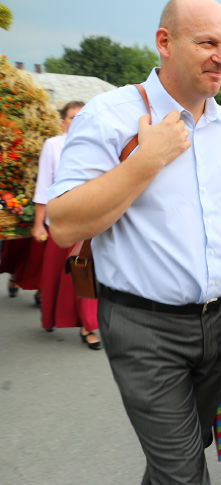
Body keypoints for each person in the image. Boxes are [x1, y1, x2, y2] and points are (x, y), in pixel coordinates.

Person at [45, 0, 221, 482]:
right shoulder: (110, 115)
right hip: (144, 327)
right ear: (165, 42)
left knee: (180, 456)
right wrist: (144, 162)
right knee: (182, 472)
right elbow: (62, 225)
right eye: (207, 42)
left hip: (219, 321)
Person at [30, 100, 102, 349]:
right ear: (63, 122)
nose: (78, 121)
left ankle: (88, 327)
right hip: (59, 221)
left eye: (83, 116)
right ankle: (51, 316)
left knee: (85, 273)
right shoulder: (53, 145)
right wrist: (39, 224)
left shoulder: (97, 145)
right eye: (73, 117)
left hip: (89, 222)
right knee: (54, 275)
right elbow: (43, 187)